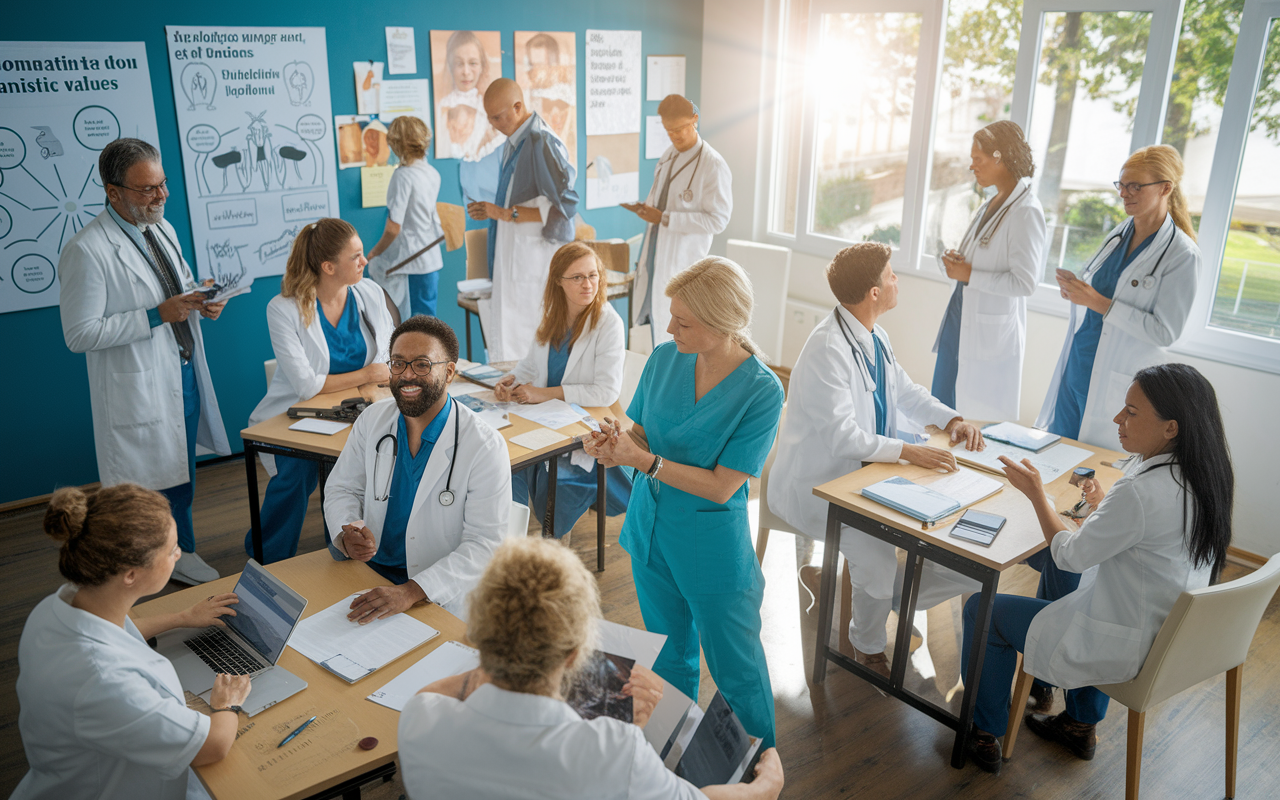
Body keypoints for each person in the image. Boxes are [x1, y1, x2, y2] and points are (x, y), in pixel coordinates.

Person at [960, 363, 1233, 774]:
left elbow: (1070, 553)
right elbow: (1146, 539)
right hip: (1162, 629)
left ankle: (985, 731)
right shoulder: (1204, 477)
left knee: (982, 609)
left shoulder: (1140, 490)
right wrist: (1106, 507)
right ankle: (1077, 722)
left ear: (1171, 427)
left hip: (1121, 642)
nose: (1117, 419)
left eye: (1131, 412)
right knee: (1059, 571)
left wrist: (1037, 495)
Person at [398, 537, 786, 800]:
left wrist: (499, 651)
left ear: (478, 633)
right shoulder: (615, 752)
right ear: (573, 656)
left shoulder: (420, 721)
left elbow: (435, 692)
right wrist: (766, 788)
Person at [584, 257, 783, 747]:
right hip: (650, 532)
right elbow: (642, 434)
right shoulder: (664, 359)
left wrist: (643, 460)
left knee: (737, 672)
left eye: (683, 322)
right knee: (669, 660)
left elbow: (721, 486)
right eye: (671, 315)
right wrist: (617, 445)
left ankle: (760, 773)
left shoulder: (761, 391)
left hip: (710, 547)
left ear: (724, 323)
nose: (669, 327)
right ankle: (674, 756)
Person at [768, 242, 985, 678]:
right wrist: (910, 450)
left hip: (871, 475)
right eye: (891, 275)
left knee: (957, 542)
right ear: (872, 292)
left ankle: (842, 584)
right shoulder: (828, 348)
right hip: (821, 486)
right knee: (880, 560)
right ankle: (864, 645)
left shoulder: (874, 335)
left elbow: (905, 392)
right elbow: (842, 436)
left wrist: (952, 418)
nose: (896, 281)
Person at [59, 138, 230, 586]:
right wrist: (156, 315)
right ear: (113, 192)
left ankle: (180, 551)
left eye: (163, 184)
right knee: (144, 491)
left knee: (181, 476)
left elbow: (178, 287)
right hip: (137, 388)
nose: (161, 196)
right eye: (147, 189)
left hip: (181, 373)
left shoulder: (162, 228)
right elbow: (79, 334)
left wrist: (202, 299)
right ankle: (145, 564)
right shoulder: (87, 249)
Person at [13, 484, 251, 799]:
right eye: (172, 550)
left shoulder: (59, 606)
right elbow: (213, 746)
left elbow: (121, 629)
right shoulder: (105, 682)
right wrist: (227, 703)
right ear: (130, 574)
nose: (178, 555)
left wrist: (183, 617)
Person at [324, 315, 511, 622]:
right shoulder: (373, 421)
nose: (407, 375)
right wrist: (348, 533)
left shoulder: (484, 446)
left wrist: (410, 592)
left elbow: (484, 545)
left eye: (422, 364)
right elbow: (343, 488)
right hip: (368, 576)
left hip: (436, 591)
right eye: (398, 363)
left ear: (449, 372)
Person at [246, 218, 395, 563]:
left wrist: (370, 377)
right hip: (298, 414)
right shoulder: (283, 309)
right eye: (356, 256)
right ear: (328, 267)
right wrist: (367, 374)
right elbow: (306, 384)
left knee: (367, 469)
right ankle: (267, 557)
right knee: (295, 476)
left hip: (361, 407)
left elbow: (387, 359)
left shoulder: (369, 294)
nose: (365, 262)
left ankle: (348, 547)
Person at [1036, 145, 1201, 451]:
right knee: (1057, 452)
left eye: (1135, 186)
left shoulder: (1182, 254)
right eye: (1122, 185)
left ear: (1166, 188)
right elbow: (1104, 292)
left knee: (1093, 468)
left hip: (1119, 374)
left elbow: (1166, 331)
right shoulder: (1119, 234)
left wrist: (1097, 301)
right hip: (1080, 360)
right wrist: (1077, 292)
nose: (1124, 193)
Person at [494, 242, 632, 538]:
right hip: (546, 419)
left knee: (559, 484)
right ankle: (508, 541)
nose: (588, 284)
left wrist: (545, 393)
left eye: (593, 275)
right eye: (578, 277)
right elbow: (531, 366)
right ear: (559, 281)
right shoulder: (552, 316)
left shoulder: (609, 323)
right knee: (506, 463)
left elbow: (606, 392)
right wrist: (512, 379)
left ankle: (553, 551)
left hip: (584, 427)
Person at [931, 121, 1046, 421]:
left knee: (975, 422)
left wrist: (969, 274)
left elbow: (1025, 282)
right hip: (962, 316)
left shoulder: (1026, 211)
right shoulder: (992, 202)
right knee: (944, 407)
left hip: (988, 333)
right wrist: (959, 261)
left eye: (978, 160)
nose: (972, 167)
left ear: (999, 157)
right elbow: (981, 257)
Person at [467, 77, 579, 362]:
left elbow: (562, 207)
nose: (493, 124)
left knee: (528, 342)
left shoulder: (542, 142)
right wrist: (495, 211)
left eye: (497, 117)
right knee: (509, 341)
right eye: (489, 117)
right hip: (516, 256)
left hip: (533, 260)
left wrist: (501, 213)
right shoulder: (516, 141)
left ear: (518, 107)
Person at [626, 95, 732, 348]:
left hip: (681, 263)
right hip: (654, 255)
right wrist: (648, 211)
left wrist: (665, 218)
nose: (675, 136)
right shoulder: (668, 156)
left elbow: (718, 220)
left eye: (681, 129)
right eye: (669, 131)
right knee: (648, 334)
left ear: (695, 119)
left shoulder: (712, 164)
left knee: (675, 338)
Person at [367, 116, 446, 320]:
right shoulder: (432, 173)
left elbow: (394, 228)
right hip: (430, 260)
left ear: (396, 144)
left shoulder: (402, 176)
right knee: (428, 322)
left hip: (410, 264)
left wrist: (374, 254)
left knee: (411, 325)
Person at [437, 30, 503, 161]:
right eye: (459, 64)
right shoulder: (442, 107)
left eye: (473, 63)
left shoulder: (489, 107)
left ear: (482, 66)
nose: (466, 72)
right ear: (451, 67)